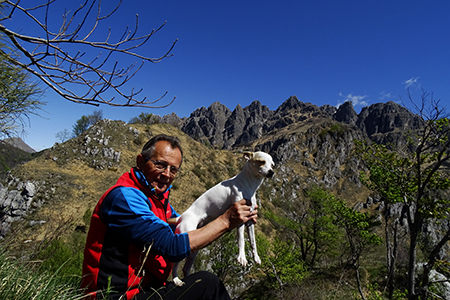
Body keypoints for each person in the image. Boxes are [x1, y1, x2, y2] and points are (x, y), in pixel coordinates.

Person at [81, 134, 258, 300]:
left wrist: (234, 220)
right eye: (160, 164)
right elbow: (172, 247)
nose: (167, 174)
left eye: (173, 169)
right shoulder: (124, 199)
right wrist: (225, 220)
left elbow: (191, 230)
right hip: (116, 296)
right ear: (140, 161)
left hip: (147, 289)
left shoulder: (158, 200)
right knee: (208, 284)